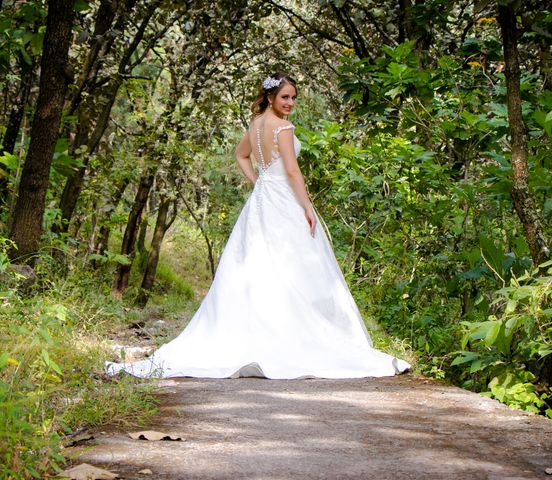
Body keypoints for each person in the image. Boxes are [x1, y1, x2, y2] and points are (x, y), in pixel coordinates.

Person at [106, 73, 410, 379]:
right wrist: (306, 206)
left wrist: (259, 182)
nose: (290, 103)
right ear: (269, 97)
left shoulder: (255, 125)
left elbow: (241, 156)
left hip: (263, 201)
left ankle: (264, 331)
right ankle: (292, 338)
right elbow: (292, 171)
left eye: (293, 97)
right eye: (284, 97)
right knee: (295, 266)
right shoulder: (284, 129)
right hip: (284, 202)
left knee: (261, 266)